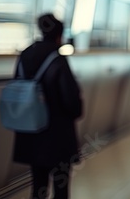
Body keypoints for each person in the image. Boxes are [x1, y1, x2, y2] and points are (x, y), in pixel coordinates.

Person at [12, 14, 83, 199]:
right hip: (57, 135)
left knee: (38, 185)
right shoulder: (57, 58)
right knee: (61, 186)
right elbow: (71, 100)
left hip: (31, 131)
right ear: (59, 35)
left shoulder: (25, 54)